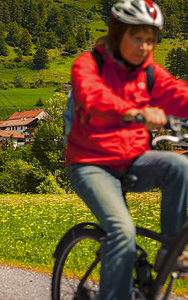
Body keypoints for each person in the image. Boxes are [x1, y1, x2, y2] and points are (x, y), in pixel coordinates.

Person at [65, 0, 188, 299]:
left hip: (133, 159)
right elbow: (92, 97)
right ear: (118, 34)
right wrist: (135, 112)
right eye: (137, 38)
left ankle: (169, 250)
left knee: (179, 166)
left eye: (150, 40)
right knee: (122, 232)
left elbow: (177, 94)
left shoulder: (148, 73)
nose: (144, 46)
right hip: (90, 164)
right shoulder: (89, 64)